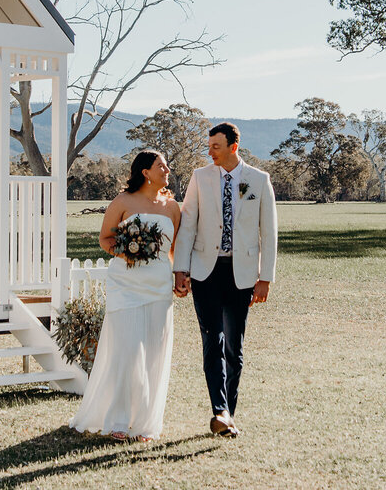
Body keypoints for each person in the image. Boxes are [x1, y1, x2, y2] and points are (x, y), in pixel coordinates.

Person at [173, 122, 277, 438]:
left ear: (233, 147)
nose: (210, 152)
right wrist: (180, 268)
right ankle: (219, 411)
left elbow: (268, 232)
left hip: (243, 274)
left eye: (215, 146)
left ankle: (227, 413)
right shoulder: (200, 178)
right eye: (209, 146)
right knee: (211, 339)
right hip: (205, 271)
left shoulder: (259, 180)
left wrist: (266, 278)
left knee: (234, 346)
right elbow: (188, 223)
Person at [69, 150, 180, 441]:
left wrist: (181, 276)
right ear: (146, 172)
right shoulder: (122, 202)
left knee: (154, 354)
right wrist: (129, 249)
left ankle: (145, 423)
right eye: (161, 165)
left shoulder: (172, 208)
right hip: (126, 284)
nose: (167, 169)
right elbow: (105, 239)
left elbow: (173, 251)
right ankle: (118, 419)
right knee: (128, 351)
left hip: (158, 286)